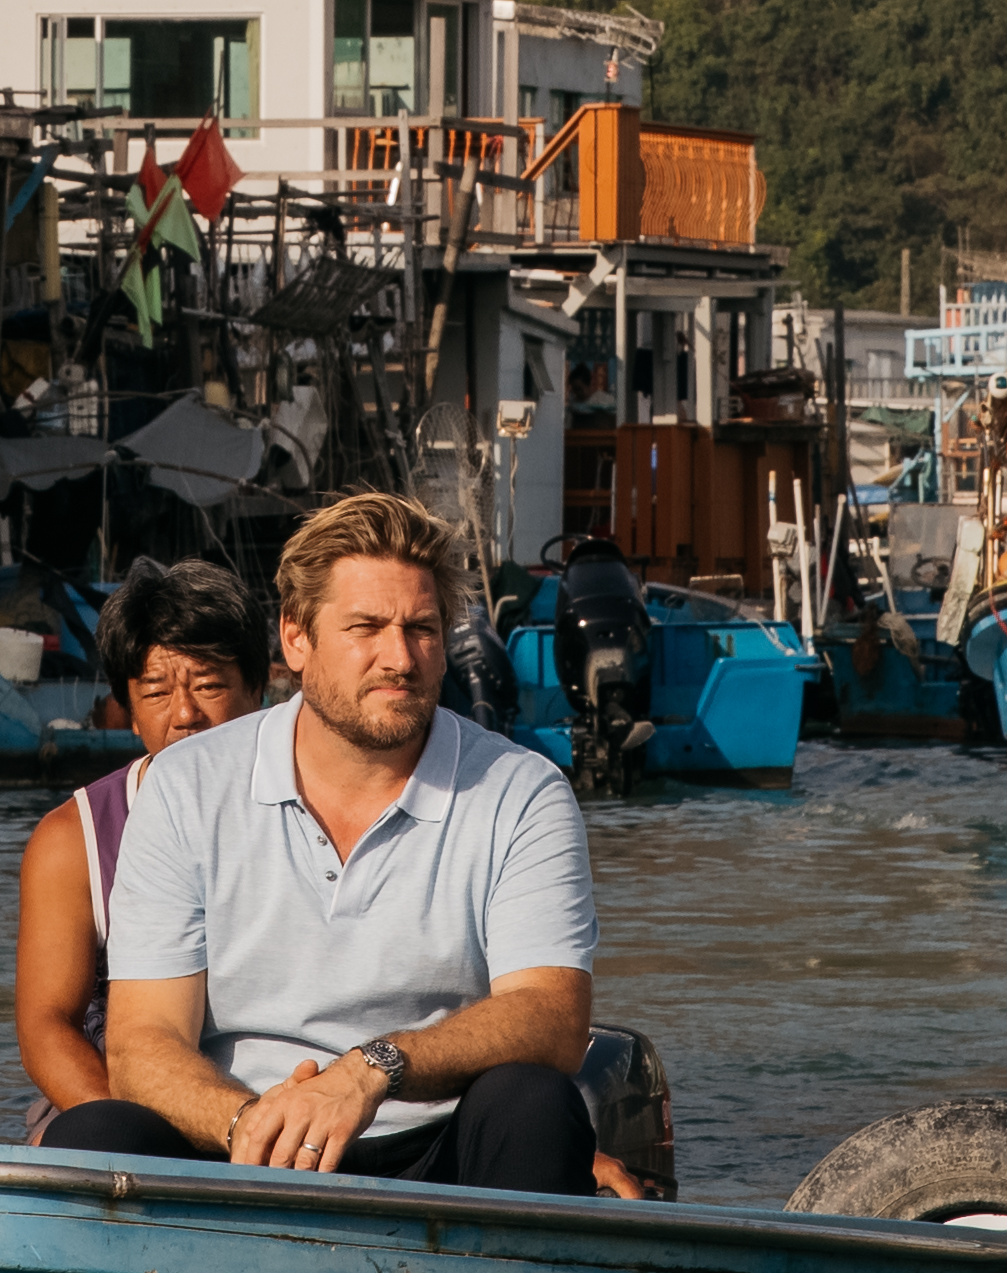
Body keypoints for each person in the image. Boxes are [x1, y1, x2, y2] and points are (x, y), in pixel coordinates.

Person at [55, 495, 608, 1191]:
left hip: (435, 1139)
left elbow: (552, 1018)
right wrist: (252, 1125)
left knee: (534, 1103)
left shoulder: (520, 791)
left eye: (421, 628)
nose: (399, 657)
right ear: (295, 638)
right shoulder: (184, 786)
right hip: (238, 1138)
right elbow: (143, 1045)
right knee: (90, 1135)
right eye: (366, 627)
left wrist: (372, 1069)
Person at [8, 558, 278, 1131]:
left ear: (258, 690)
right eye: (156, 692)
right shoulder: (72, 841)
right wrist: (143, 1127)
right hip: (124, 1101)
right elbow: (47, 1026)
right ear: (127, 711)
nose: (185, 715)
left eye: (208, 686)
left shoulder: (315, 808)